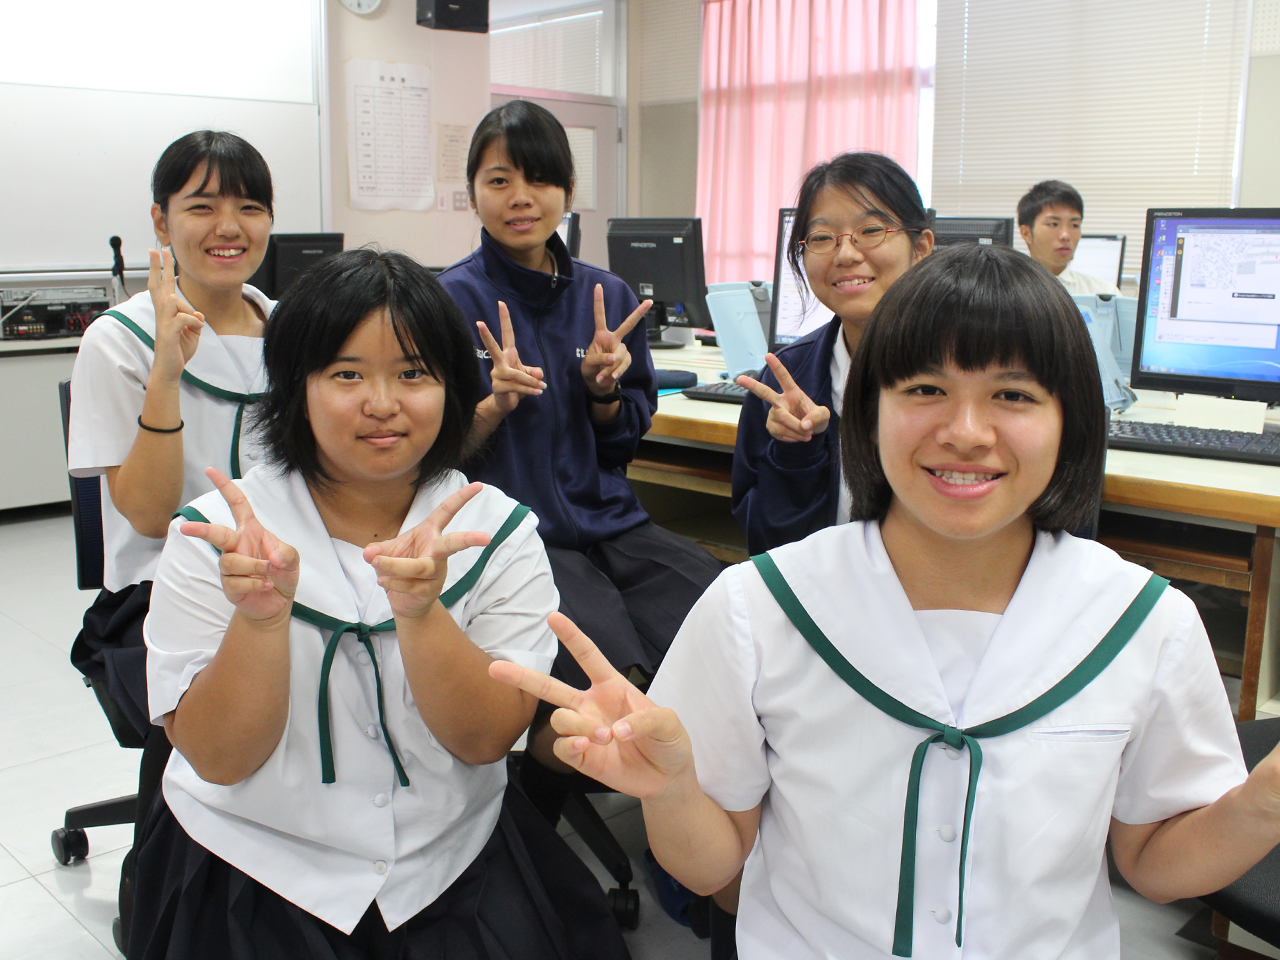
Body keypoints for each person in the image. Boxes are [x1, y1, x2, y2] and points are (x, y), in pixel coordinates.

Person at [489, 243, 1274, 960]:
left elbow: (1156, 865)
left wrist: (1266, 805)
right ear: (869, 408)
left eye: (1013, 395)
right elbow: (710, 867)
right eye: (926, 388)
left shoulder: (1145, 622)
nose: (966, 431)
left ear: (1071, 421)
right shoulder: (759, 608)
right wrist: (670, 789)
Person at [129, 249, 630, 960]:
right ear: (293, 388)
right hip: (253, 863)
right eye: (346, 374)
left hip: (451, 855)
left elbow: (483, 741)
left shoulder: (498, 531)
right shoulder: (216, 538)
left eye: (413, 373)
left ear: (453, 387)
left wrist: (423, 614)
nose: (383, 403)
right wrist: (260, 622)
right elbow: (218, 757)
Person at [435, 100, 723, 821]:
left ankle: (699, 815)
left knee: (723, 625)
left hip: (612, 522)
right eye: (499, 180)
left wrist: (602, 392)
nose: (521, 199)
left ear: (567, 190)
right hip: (515, 535)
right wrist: (493, 406)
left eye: (539, 180)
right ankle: (563, 791)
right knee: (616, 679)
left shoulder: (610, 297)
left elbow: (624, 441)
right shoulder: (446, 301)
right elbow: (436, 456)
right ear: (472, 191)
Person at [66, 129, 276, 948]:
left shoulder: (289, 328)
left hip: (275, 576)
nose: (229, 226)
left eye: (249, 206)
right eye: (203, 206)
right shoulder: (117, 340)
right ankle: (179, 910)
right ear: (161, 222)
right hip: (161, 595)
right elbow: (149, 517)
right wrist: (166, 368)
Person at [732, 152, 934, 555]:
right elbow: (768, 547)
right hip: (822, 605)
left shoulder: (972, 375)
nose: (846, 254)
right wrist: (796, 451)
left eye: (871, 229)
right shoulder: (785, 379)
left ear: (921, 246)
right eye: (823, 238)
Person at [1017, 179, 1121, 295]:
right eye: (1053, 224)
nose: (1066, 235)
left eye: (1074, 225)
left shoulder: (1102, 292)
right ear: (1026, 233)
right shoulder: (1008, 290)